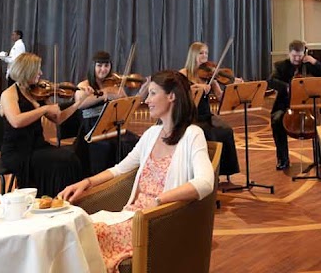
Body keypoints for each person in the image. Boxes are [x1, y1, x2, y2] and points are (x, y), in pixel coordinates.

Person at [59, 71, 214, 273]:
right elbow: (119, 169)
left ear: (171, 96)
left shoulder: (193, 134)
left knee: (87, 235)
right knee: (78, 232)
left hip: (159, 220)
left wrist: (160, 200)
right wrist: (86, 183)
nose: (147, 100)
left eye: (152, 93)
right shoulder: (151, 134)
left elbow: (205, 182)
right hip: (133, 215)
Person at [0, 51, 87, 195]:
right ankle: (50, 199)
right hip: (18, 151)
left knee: (71, 158)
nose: (40, 73)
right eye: (37, 69)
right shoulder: (9, 94)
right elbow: (16, 121)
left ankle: (67, 201)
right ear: (27, 71)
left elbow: (59, 118)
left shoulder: (37, 92)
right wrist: (44, 108)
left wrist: (79, 102)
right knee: (62, 161)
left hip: (38, 146)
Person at [268, 40, 321, 171]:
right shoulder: (281, 66)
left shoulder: (310, 65)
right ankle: (283, 159)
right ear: (289, 54)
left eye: (300, 56)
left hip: (311, 106)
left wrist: (315, 62)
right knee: (276, 120)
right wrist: (287, 87)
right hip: (287, 105)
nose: (297, 59)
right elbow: (271, 81)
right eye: (294, 56)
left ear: (304, 53)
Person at [181, 42, 240, 181]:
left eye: (206, 53)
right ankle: (209, 173)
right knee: (209, 133)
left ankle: (224, 171)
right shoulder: (184, 74)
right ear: (193, 54)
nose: (204, 56)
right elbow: (181, 95)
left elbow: (220, 97)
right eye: (201, 53)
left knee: (226, 130)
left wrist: (232, 86)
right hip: (190, 116)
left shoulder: (210, 76)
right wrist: (197, 87)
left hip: (206, 115)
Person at [74, 51, 137, 176]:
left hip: (110, 125)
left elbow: (125, 102)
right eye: (99, 65)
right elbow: (80, 104)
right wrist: (105, 93)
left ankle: (125, 177)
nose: (103, 69)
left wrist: (119, 93)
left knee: (133, 140)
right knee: (107, 146)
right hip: (91, 128)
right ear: (93, 66)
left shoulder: (113, 83)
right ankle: (102, 179)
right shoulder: (84, 85)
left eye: (106, 65)